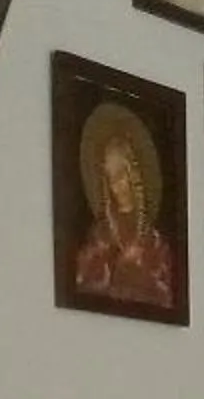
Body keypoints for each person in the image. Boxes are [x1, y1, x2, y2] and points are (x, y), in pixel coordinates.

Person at [71, 104, 177, 311]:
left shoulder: (154, 241)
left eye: (120, 177)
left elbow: (164, 298)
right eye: (110, 179)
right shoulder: (99, 236)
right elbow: (84, 287)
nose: (115, 187)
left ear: (133, 176)